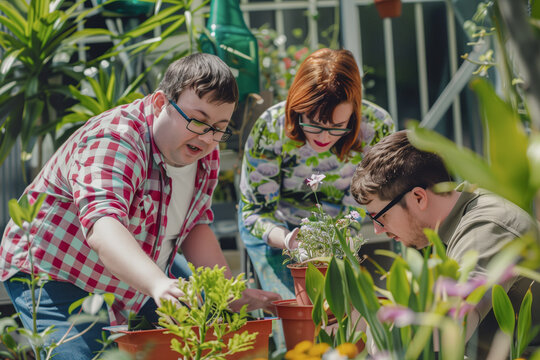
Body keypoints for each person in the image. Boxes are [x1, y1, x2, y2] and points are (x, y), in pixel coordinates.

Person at [0, 53, 281, 360]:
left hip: (139, 270)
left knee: (204, 345)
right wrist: (159, 284)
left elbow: (194, 226)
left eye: (218, 127)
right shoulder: (113, 140)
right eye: (198, 120)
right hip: (56, 269)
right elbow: (103, 225)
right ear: (161, 103)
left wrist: (228, 294)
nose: (207, 136)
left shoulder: (204, 149)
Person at [350, 130, 540, 358]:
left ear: (419, 197)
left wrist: (373, 327)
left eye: (379, 216)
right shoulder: (451, 224)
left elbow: (451, 327)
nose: (378, 229)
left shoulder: (486, 227)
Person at [238, 48, 394, 301]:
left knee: (342, 315)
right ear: (298, 106)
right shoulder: (271, 127)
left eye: (337, 126)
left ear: (353, 114)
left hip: (339, 229)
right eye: (314, 123)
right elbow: (254, 213)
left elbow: (359, 203)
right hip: (275, 229)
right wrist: (290, 241)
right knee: (294, 312)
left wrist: (336, 243)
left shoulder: (376, 126)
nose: (323, 137)